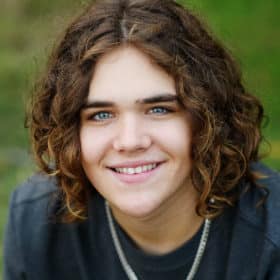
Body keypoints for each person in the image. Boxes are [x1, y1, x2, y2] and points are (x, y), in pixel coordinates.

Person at [3, 0, 280, 279]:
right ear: (70, 131)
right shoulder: (38, 223)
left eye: (159, 109)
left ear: (207, 119)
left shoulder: (270, 237)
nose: (130, 141)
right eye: (101, 115)